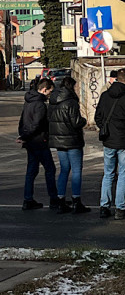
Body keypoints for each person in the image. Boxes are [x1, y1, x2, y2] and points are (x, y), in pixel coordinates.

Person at [95, 68, 125, 220]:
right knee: (123, 174)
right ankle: (120, 208)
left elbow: (98, 117)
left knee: (108, 174)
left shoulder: (104, 95)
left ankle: (104, 206)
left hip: (109, 140)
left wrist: (105, 128)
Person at [48, 77, 90, 214]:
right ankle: (76, 201)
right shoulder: (71, 102)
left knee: (64, 170)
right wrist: (84, 120)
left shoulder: (53, 101)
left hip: (58, 141)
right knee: (76, 170)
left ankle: (60, 200)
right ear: (72, 87)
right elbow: (76, 122)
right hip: (72, 140)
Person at [17, 78, 59, 210]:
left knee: (31, 171)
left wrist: (23, 136)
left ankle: (28, 199)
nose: (49, 95)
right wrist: (25, 136)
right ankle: (53, 198)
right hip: (39, 141)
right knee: (50, 169)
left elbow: (22, 121)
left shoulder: (28, 102)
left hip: (30, 142)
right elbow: (36, 124)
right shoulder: (40, 105)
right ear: (44, 89)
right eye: (49, 92)